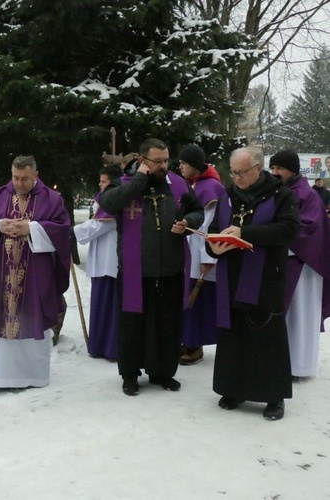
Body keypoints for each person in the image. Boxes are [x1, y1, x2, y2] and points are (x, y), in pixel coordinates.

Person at [99, 138, 203, 396]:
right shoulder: (125, 184)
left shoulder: (177, 184)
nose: (164, 166)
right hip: (136, 271)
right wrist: (139, 181)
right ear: (143, 161)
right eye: (157, 161)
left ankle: (163, 372)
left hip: (170, 268)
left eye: (166, 160)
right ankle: (130, 375)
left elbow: (197, 211)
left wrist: (187, 221)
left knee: (168, 324)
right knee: (133, 325)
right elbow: (108, 203)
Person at [207, 147, 299, 421]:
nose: (236, 178)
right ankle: (233, 389)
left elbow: (289, 230)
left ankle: (273, 397)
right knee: (233, 336)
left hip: (265, 277)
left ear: (259, 168)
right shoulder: (227, 196)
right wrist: (215, 249)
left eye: (242, 172)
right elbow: (213, 233)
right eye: (233, 172)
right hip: (231, 277)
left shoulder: (282, 195)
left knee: (266, 337)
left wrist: (245, 233)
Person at [0, 155, 71, 389]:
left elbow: (63, 230)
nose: (19, 183)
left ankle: (31, 376)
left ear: (35, 175)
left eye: (25, 178)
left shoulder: (52, 199)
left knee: (32, 317)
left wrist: (32, 228)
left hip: (35, 274)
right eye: (15, 178)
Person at [268, 150, 330, 379]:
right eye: (272, 168)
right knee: (286, 316)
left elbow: (308, 228)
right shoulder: (280, 192)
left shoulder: (307, 195)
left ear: (293, 170)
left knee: (300, 316)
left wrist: (274, 237)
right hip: (283, 262)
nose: (275, 173)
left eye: (280, 168)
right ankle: (284, 363)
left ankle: (300, 366)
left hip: (304, 265)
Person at [177, 144, 225, 365]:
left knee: (196, 302)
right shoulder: (192, 185)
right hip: (187, 251)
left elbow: (209, 226)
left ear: (194, 165)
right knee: (187, 300)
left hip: (199, 253)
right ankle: (186, 339)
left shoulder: (211, 188)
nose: (180, 167)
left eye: (184, 163)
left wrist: (208, 258)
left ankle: (194, 344)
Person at [73, 164, 122, 360]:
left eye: (104, 182)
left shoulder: (114, 201)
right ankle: (99, 344)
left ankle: (110, 347)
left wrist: (73, 232)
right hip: (101, 259)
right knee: (101, 304)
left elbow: (100, 225)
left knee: (110, 306)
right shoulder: (103, 199)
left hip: (111, 260)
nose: (100, 185)